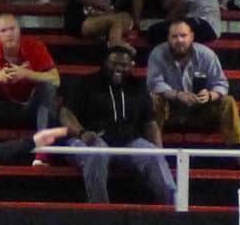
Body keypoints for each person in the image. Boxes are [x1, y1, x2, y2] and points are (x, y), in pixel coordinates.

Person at [62, 42, 174, 206]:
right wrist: (81, 133)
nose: (119, 68)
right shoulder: (86, 83)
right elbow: (66, 113)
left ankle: (174, 207)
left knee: (153, 155)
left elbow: (150, 123)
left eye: (124, 65)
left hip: (128, 142)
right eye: (114, 63)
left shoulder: (138, 87)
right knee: (97, 152)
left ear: (131, 66)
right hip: (91, 138)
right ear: (105, 63)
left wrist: (159, 152)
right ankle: (101, 211)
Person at [0, 13, 61, 143]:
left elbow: (55, 79)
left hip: (30, 107)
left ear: (19, 30)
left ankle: (44, 153)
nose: (9, 34)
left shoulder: (36, 46)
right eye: (3, 31)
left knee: (48, 88)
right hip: (0, 108)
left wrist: (26, 74)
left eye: (12, 29)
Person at [146, 17, 240, 143]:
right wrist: (178, 95)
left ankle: (237, 152)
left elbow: (221, 83)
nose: (179, 40)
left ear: (191, 37)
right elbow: (154, 84)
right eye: (174, 36)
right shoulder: (157, 53)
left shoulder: (207, 54)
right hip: (171, 106)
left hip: (201, 107)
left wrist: (209, 95)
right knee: (154, 99)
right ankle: (156, 151)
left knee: (228, 102)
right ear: (168, 38)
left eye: (183, 35)